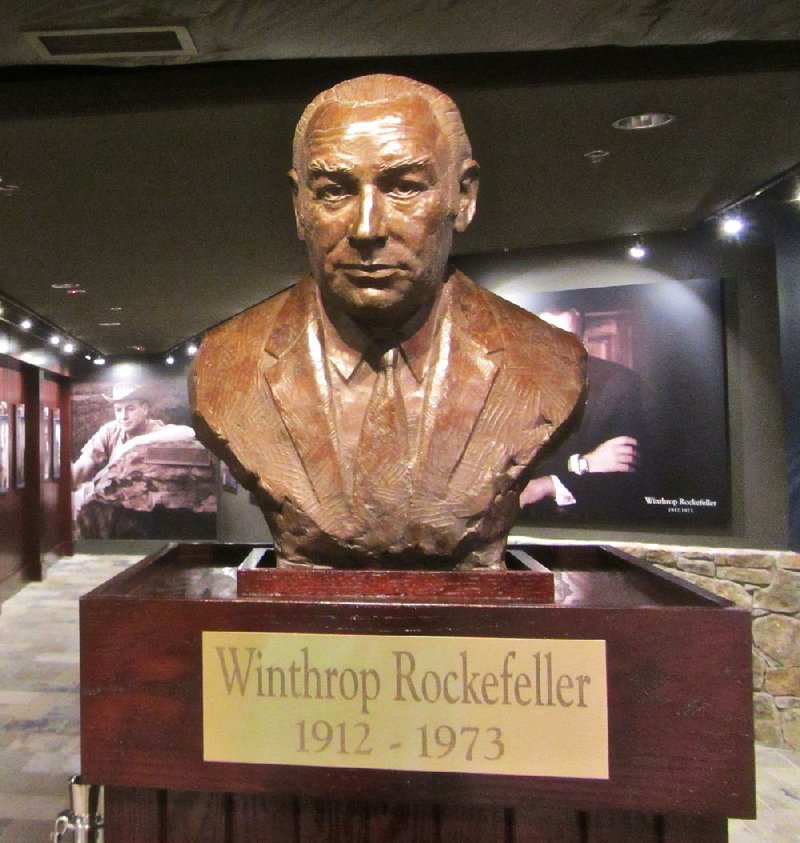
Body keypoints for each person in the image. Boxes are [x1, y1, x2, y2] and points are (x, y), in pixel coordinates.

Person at [191, 74, 585, 569]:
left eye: (403, 187)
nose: (366, 229)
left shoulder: (545, 365)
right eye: (334, 191)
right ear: (300, 207)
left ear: (462, 197)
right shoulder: (227, 367)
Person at [519, 310, 647, 521]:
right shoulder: (512, 383)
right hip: (517, 524)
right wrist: (582, 464)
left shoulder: (621, 386)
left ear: (584, 341)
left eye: (567, 337)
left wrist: (546, 484)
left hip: (588, 522)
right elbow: (504, 468)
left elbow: (621, 474)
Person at [72, 383, 194, 488]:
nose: (123, 416)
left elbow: (189, 432)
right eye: (118, 410)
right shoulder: (111, 430)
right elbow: (85, 462)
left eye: (130, 409)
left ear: (145, 408)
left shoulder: (156, 430)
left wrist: (134, 444)